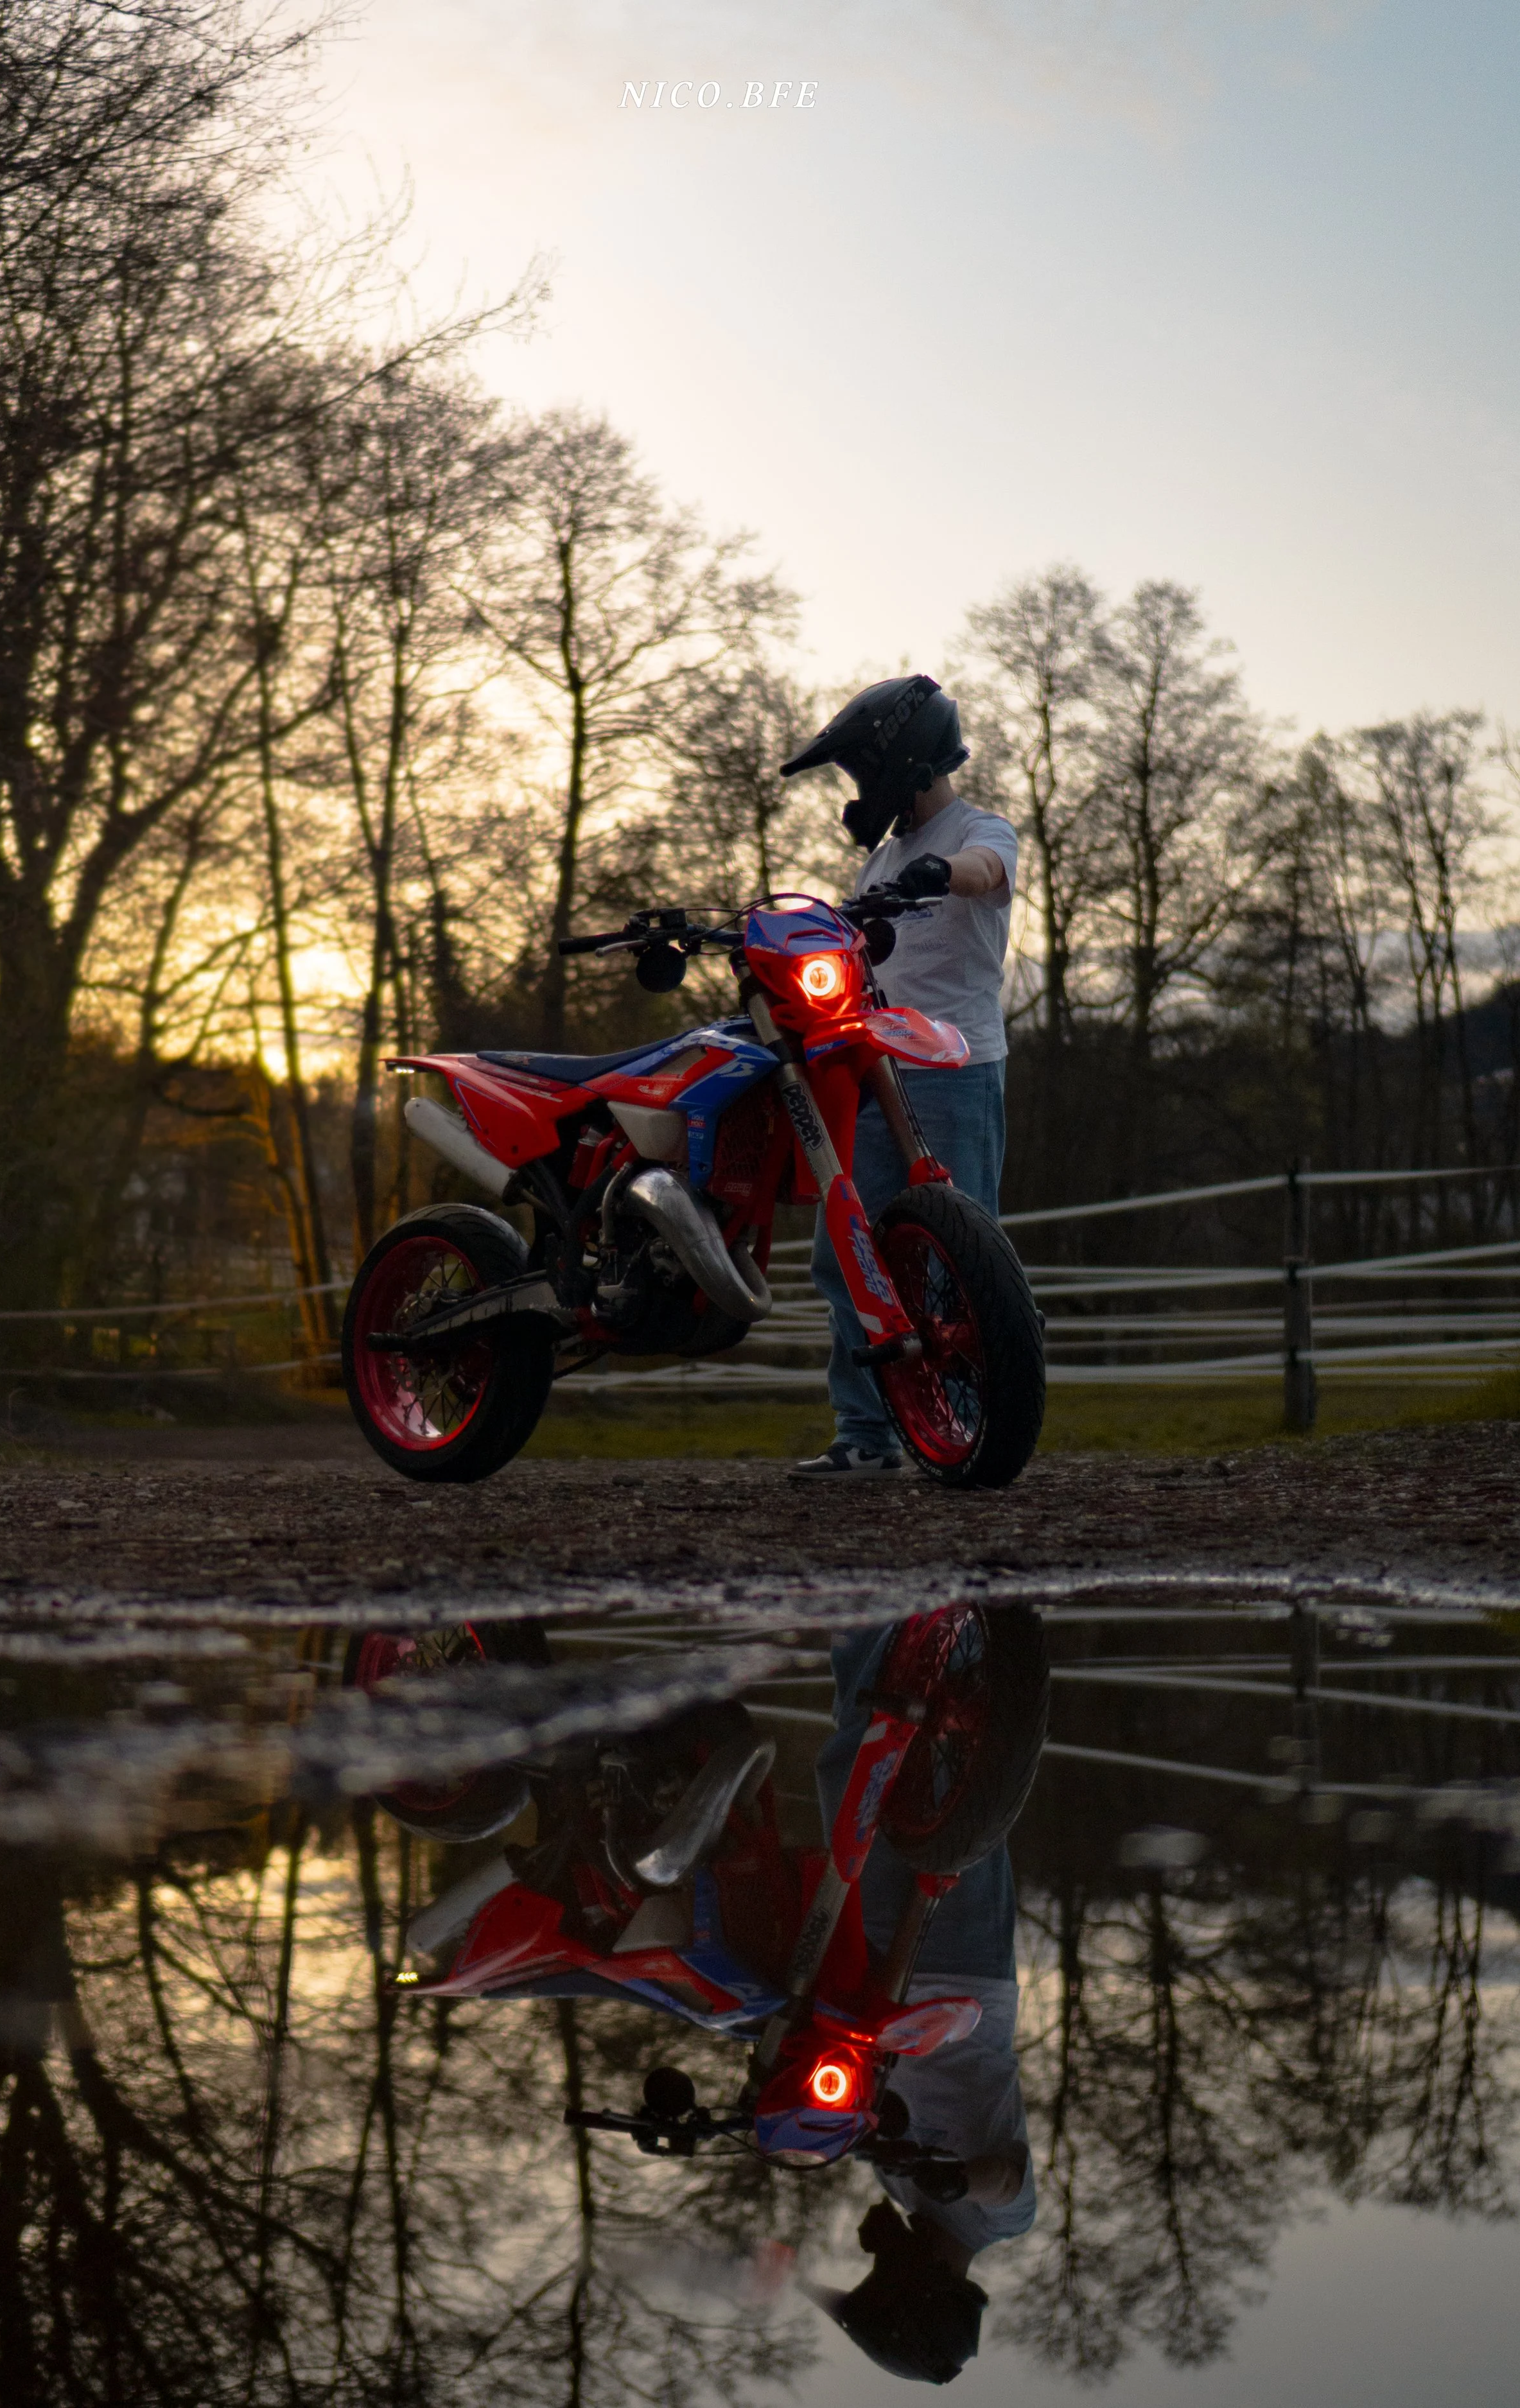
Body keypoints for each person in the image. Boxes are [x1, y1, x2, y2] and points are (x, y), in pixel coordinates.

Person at [778, 675, 1018, 1479]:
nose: (855, 788)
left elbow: (984, 871)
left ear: (904, 760)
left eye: (860, 770)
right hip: (867, 1067)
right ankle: (865, 1435)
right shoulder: (880, 858)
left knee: (959, 1258)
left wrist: (942, 873)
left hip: (953, 1068)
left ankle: (974, 1428)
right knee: (846, 1251)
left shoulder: (981, 829)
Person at [803, 1621, 1036, 2385]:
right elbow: (1003, 2178)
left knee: (858, 1778)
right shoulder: (999, 2219)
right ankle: (969, 1635)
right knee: (958, 1779)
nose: (877, 2263)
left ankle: (869, 1620)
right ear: (922, 2286)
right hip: (965, 1977)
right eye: (881, 2277)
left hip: (882, 1980)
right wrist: (958, 2180)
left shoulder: (900, 2189)